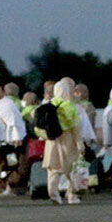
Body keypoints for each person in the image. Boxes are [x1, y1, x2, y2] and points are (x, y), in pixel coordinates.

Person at [43, 77, 83, 205]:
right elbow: (76, 128)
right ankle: (72, 195)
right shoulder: (70, 107)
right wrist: (80, 143)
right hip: (68, 142)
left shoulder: (48, 106)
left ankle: (53, 194)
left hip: (52, 142)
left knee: (53, 170)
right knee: (71, 169)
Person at [0, 83, 26, 196]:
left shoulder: (8, 104)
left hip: (9, 139)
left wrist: (16, 138)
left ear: (3, 92)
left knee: (11, 164)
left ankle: (9, 188)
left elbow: (14, 122)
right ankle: (0, 186)